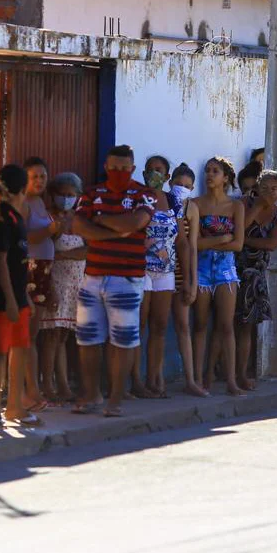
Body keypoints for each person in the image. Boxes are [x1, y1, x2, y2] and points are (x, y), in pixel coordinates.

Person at [71, 145, 154, 417]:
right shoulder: (92, 193)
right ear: (106, 166)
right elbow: (78, 226)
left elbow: (136, 222)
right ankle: (91, 394)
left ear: (132, 168)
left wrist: (100, 219)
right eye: (114, 168)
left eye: (124, 168)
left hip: (127, 279)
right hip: (92, 276)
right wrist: (114, 231)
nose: (118, 172)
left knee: (124, 340)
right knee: (87, 339)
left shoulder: (143, 194)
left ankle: (116, 399)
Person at [0, 165, 42, 427]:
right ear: (21, 187)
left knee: (20, 350)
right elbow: (0, 262)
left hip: (17, 297)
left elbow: (19, 263)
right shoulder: (1, 218)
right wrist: (11, 300)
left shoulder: (16, 217)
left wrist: (23, 297)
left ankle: (14, 407)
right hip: (1, 298)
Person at [192, 157, 246, 396]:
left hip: (226, 270)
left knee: (226, 326)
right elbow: (193, 244)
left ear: (226, 178)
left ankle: (231, 380)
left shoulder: (236, 207)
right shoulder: (195, 204)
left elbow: (238, 245)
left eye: (215, 171)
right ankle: (197, 378)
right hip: (201, 268)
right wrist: (221, 239)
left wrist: (210, 243)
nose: (209, 175)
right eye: (207, 171)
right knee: (201, 324)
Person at [235, 170, 277, 390]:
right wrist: (256, 208)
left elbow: (271, 244)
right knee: (225, 325)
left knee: (247, 326)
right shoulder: (244, 204)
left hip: (255, 274)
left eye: (273, 189)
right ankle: (215, 373)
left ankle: (241, 373)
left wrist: (242, 241)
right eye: (264, 188)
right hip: (233, 269)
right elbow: (238, 227)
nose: (268, 193)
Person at [137, 155, 184, 398]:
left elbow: (182, 241)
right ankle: (136, 380)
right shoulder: (137, 199)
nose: (153, 173)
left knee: (159, 326)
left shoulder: (174, 201)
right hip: (142, 269)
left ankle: (156, 378)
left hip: (166, 271)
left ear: (167, 177)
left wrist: (185, 276)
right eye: (149, 169)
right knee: (140, 324)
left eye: (158, 170)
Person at [37, 172, 86, 403]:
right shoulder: (48, 220)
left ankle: (63, 384)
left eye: (71, 195)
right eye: (62, 195)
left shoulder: (79, 219)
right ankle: (47, 384)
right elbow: (47, 252)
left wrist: (65, 254)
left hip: (75, 285)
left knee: (63, 336)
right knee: (51, 336)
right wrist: (68, 254)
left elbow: (88, 250)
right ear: (53, 195)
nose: (66, 199)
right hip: (55, 283)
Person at [168, 164, 210, 397]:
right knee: (153, 325)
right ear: (170, 183)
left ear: (193, 188)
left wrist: (192, 282)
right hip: (161, 272)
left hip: (182, 273)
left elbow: (192, 246)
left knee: (184, 325)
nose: (182, 189)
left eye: (186, 186)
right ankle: (148, 381)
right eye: (178, 184)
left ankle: (191, 380)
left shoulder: (191, 208)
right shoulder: (164, 203)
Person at [22, 157, 56, 409]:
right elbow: (22, 239)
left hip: (44, 271)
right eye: (34, 177)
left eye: (43, 176)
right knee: (26, 336)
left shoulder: (41, 203)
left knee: (34, 335)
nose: (39, 181)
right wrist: (51, 231)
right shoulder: (23, 205)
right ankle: (27, 392)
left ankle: (33, 390)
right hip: (30, 271)